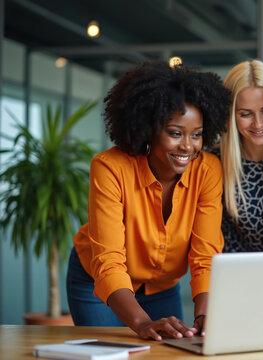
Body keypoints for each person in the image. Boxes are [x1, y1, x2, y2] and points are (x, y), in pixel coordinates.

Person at [66, 60, 230, 340]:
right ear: (149, 129)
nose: (188, 147)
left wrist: (204, 315)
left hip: (161, 287)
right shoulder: (110, 167)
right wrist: (141, 323)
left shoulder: (208, 170)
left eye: (197, 135)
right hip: (99, 283)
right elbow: (108, 260)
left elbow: (205, 256)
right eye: (175, 133)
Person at [216, 60, 263, 252]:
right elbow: (222, 241)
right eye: (246, 114)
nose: (258, 124)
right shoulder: (215, 160)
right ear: (231, 114)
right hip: (243, 274)